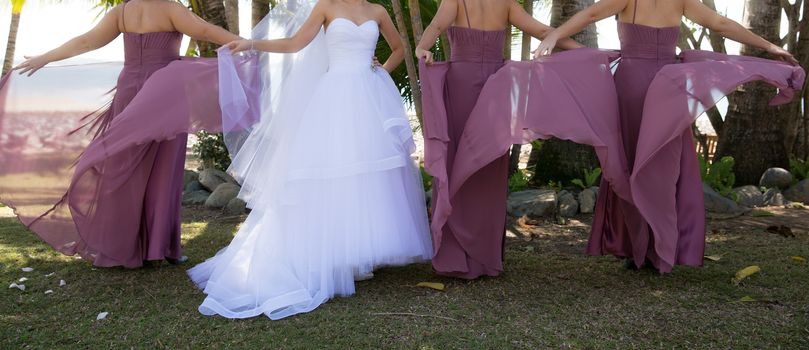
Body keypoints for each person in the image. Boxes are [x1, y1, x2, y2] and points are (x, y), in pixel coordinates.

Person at [187, 0, 432, 319]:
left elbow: (398, 48)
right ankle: (338, 254)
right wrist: (251, 42)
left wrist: (378, 72)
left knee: (367, 173)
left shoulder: (377, 12)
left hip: (367, 98)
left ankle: (359, 255)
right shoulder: (327, 7)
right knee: (334, 170)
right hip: (334, 97)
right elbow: (296, 42)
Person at [535, 0, 801, 273]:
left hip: (632, 83)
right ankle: (661, 248)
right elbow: (721, 25)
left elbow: (591, 13)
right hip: (670, 87)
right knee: (665, 166)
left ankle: (638, 248)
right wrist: (770, 47)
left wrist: (555, 34)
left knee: (632, 160)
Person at [1, 0, 240, 267]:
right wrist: (245, 43)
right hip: (164, 94)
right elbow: (205, 32)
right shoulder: (170, 8)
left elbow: (86, 41)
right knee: (163, 170)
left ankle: (122, 246)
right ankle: (157, 247)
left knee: (125, 169)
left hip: (129, 91)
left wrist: (46, 57)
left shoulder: (122, 12)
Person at [414, 0, 582, 279]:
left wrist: (423, 47)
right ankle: (484, 257)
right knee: (488, 165)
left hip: (461, 85)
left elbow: (436, 25)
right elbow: (542, 31)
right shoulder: (506, 4)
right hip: (496, 88)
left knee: (459, 162)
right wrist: (585, 51)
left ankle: (456, 253)